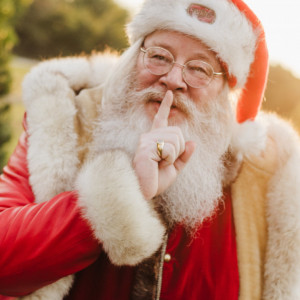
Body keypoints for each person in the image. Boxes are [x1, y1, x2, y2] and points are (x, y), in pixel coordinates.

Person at [1, 0, 300, 299]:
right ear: (133, 59)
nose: (173, 79)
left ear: (225, 94)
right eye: (159, 56)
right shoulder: (64, 121)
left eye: (199, 68)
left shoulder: (268, 173)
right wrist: (123, 191)